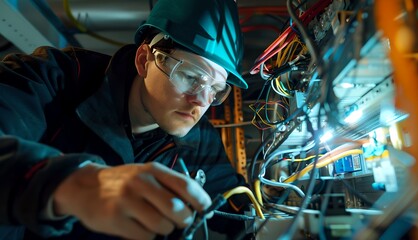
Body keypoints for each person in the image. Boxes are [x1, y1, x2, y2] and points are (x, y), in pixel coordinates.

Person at [0, 0, 250, 239]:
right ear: (144, 60)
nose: (201, 101)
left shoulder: (201, 142)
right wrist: (77, 184)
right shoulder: (51, 78)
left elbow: (234, 207)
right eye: (190, 77)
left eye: (216, 90)